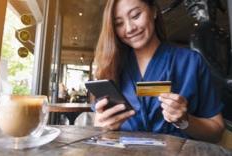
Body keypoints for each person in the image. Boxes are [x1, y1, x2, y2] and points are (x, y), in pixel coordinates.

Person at [93, 0, 224, 143]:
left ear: (154, 11)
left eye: (136, 15)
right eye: (119, 23)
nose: (129, 28)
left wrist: (185, 121)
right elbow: (100, 126)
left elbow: (216, 132)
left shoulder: (191, 62)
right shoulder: (111, 67)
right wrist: (101, 126)